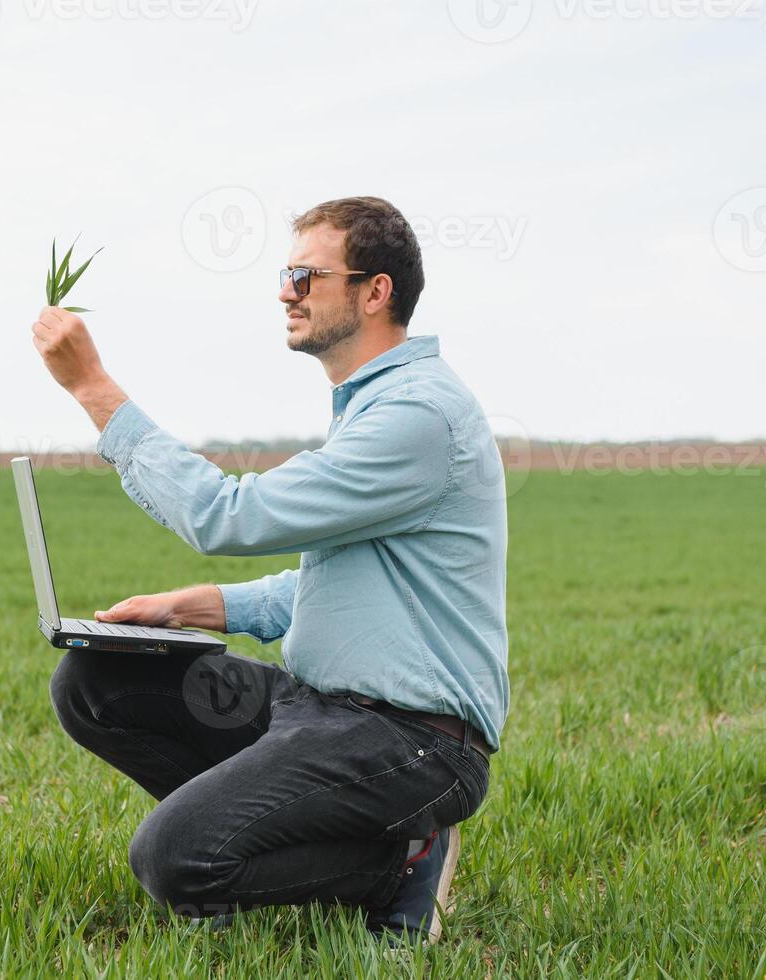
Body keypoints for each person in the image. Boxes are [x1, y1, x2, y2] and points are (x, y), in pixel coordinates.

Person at [30, 196, 509, 945]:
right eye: (288, 275)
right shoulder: (372, 407)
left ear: (375, 290)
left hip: (413, 741)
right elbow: (350, 586)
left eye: (306, 276)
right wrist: (198, 607)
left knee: (175, 861)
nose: (286, 291)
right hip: (320, 707)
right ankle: (281, 832)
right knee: (97, 683)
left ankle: (401, 861)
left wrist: (93, 388)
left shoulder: (417, 416)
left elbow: (230, 517)